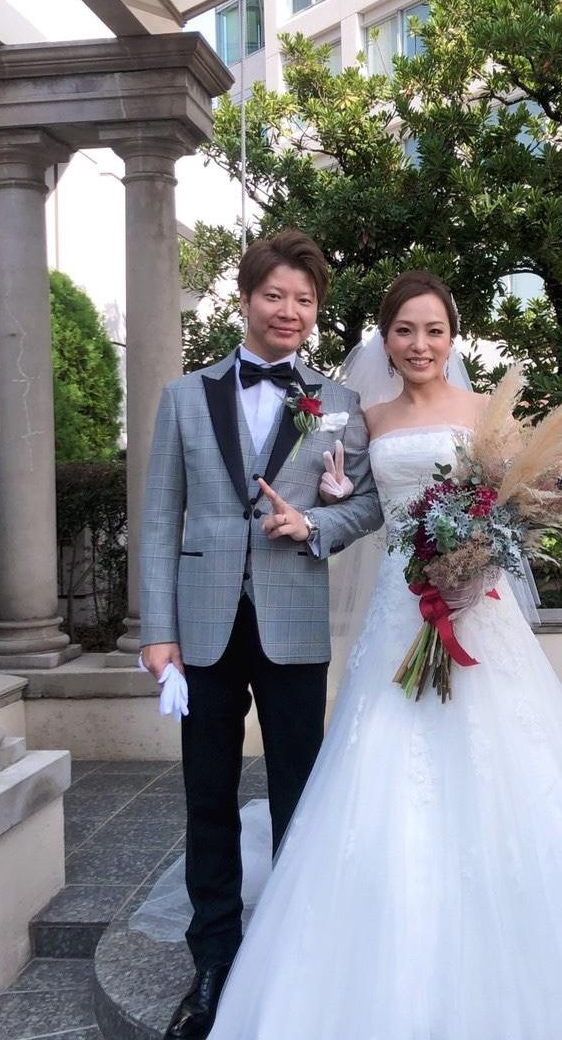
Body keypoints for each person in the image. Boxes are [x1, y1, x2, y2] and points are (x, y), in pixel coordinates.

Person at [204, 269, 562, 1039]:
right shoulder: (366, 416)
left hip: (480, 611)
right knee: (379, 760)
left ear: (452, 338)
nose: (419, 344)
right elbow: (365, 506)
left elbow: (524, 497)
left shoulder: (488, 412)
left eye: (433, 330)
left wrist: (483, 553)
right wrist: (324, 510)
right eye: (404, 330)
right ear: (384, 339)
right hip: (400, 607)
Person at [139, 230, 382, 1039]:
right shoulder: (185, 396)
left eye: (304, 300)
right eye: (275, 295)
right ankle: (213, 961)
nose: (289, 311)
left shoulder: (337, 402)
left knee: (297, 792)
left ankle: (297, 950)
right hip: (202, 626)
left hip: (292, 620)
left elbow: (366, 504)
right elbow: (159, 517)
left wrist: (313, 525)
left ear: (316, 312)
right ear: (245, 299)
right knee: (206, 794)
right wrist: (157, 629)